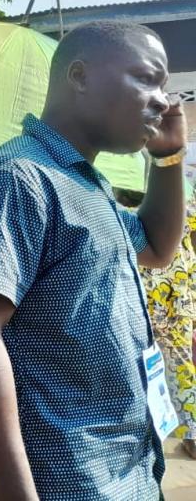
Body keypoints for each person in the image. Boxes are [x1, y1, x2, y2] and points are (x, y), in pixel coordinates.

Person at [0, 21, 188, 500]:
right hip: (67, 479)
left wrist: (168, 157)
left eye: (163, 85)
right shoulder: (17, 179)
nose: (163, 100)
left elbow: (158, 249)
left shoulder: (84, 180)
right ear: (79, 77)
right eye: (146, 79)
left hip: (127, 470)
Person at [138, 187, 196, 460]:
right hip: (172, 293)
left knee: (143, 366)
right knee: (179, 367)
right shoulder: (183, 194)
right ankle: (191, 434)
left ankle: (188, 433)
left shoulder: (123, 195)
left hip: (153, 293)